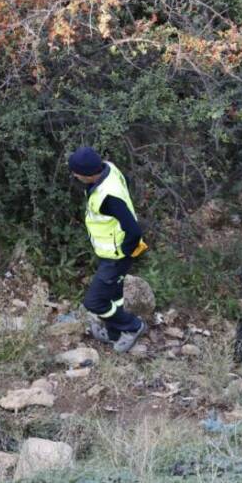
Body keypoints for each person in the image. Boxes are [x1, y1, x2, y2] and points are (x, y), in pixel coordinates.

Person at [69, 147, 148, 352]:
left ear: (88, 174)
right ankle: (114, 333)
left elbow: (134, 230)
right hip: (110, 254)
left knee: (94, 302)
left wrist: (124, 253)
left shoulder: (108, 197)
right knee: (114, 295)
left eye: (76, 172)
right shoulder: (109, 169)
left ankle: (133, 326)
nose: (74, 175)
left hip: (116, 256)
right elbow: (126, 184)